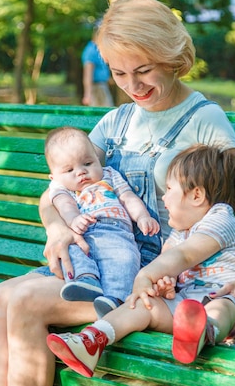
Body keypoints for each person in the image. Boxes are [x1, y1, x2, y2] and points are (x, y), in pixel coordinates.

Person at [0, 0, 235, 386]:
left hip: (161, 278)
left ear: (172, 56)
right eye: (119, 73)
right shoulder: (117, 122)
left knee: (24, 303)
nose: (132, 86)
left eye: (143, 70)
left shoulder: (204, 119)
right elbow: (57, 187)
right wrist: (56, 227)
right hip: (104, 260)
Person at [46, 144, 235, 377]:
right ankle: (93, 340)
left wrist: (146, 276)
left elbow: (184, 255)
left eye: (169, 189)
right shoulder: (180, 231)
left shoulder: (221, 217)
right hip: (184, 308)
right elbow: (168, 262)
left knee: (223, 305)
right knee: (143, 304)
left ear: (197, 195)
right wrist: (163, 283)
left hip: (228, 304)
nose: (165, 198)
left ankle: (204, 331)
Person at [44, 126, 160, 315]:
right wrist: (73, 219)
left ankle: (115, 298)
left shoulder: (110, 175)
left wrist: (142, 216)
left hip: (117, 233)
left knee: (126, 259)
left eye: (87, 163)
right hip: (83, 233)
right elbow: (64, 205)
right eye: (69, 170)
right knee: (74, 250)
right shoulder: (60, 188)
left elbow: (127, 197)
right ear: (54, 177)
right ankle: (85, 280)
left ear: (98, 159)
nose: (81, 172)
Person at [81, 23, 114, 107]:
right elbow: (88, 73)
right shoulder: (91, 51)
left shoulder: (99, 49)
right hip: (96, 87)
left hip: (102, 86)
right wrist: (87, 95)